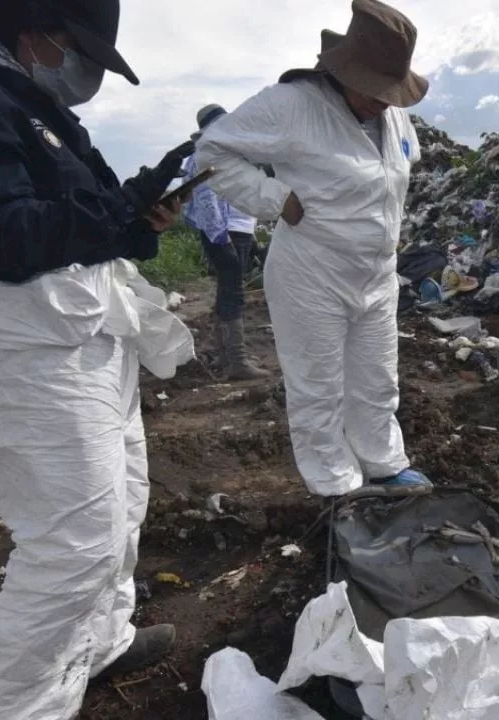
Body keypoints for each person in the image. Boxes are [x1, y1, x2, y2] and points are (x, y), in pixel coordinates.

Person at [0, 1, 196, 717]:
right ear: (34, 34)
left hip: (88, 334)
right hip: (26, 353)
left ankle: (101, 643)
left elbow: (82, 225)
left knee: (123, 503)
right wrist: (115, 211)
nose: (87, 69)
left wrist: (137, 215)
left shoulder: (44, 112)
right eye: (78, 48)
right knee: (73, 546)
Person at [195, 0, 432, 498]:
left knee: (376, 379)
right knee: (318, 386)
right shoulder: (292, 105)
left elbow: (393, 179)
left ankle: (384, 464)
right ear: (343, 69)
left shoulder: (394, 121)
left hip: (376, 273)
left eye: (390, 92)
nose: (381, 101)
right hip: (312, 271)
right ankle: (335, 486)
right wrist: (274, 199)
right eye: (372, 89)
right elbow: (213, 151)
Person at [183, 104, 270, 380]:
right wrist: (221, 239)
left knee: (229, 291)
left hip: (234, 231)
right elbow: (208, 201)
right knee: (232, 293)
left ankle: (230, 356)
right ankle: (236, 361)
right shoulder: (207, 155)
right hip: (225, 233)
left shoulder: (219, 153)